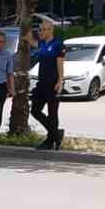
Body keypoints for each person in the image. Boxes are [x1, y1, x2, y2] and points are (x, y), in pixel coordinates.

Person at [30, 17, 64, 150]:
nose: (40, 32)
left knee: (52, 113)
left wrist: (60, 81)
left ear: (51, 30)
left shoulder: (58, 44)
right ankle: (56, 134)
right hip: (42, 83)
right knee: (35, 110)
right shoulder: (41, 44)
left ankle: (50, 141)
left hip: (53, 82)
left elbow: (60, 65)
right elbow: (27, 37)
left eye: (43, 29)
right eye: (40, 29)